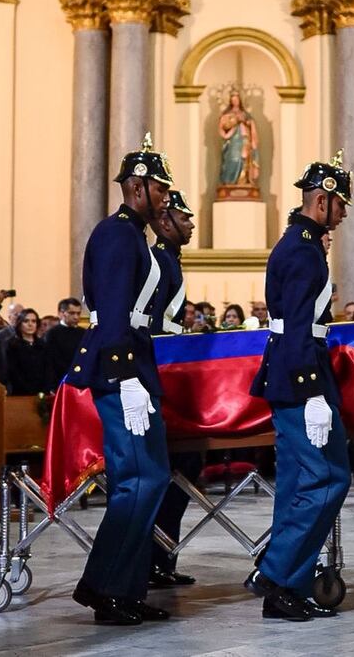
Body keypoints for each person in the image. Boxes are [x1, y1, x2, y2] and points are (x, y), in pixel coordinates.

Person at [67, 134, 174, 626]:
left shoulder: (135, 235)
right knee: (137, 480)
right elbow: (112, 311)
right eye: (161, 190)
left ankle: (121, 588)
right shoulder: (116, 233)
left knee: (146, 479)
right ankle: (103, 587)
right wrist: (125, 376)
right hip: (120, 368)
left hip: (133, 365)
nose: (166, 199)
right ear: (137, 187)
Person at [244, 152, 353, 622]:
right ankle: (277, 572)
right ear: (322, 200)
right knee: (328, 478)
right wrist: (312, 393)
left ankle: (287, 586)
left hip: (291, 372)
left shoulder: (299, 244)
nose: (344, 214)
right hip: (299, 373)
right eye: (341, 204)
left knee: (296, 484)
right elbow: (296, 329)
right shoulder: (303, 252)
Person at [146, 189, 202, 588]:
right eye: (185, 217)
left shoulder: (171, 261)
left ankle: (163, 556)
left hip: (171, 372)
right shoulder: (159, 261)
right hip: (159, 373)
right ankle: (154, 557)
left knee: (184, 470)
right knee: (171, 472)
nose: (192, 224)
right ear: (165, 222)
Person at [4, 308, 50, 395]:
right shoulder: (11, 345)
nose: (30, 324)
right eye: (26, 321)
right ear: (19, 324)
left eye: (33, 321)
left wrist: (45, 389)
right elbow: (12, 371)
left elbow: (48, 369)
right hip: (20, 392)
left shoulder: (42, 345)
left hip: (42, 393)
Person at [44, 298, 86, 382]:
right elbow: (50, 361)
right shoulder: (52, 333)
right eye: (72, 313)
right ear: (61, 313)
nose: (76, 317)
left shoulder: (84, 333)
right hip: (60, 379)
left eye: (78, 313)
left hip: (81, 378)